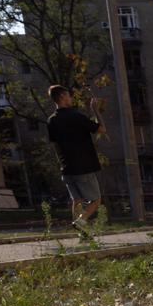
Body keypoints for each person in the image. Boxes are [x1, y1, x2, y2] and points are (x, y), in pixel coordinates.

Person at [46, 85, 106, 236]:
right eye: (68, 96)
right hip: (83, 166)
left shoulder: (51, 120)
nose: (71, 98)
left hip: (66, 168)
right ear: (62, 97)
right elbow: (101, 129)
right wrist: (95, 110)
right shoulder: (76, 116)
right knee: (96, 201)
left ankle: (82, 233)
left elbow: (54, 144)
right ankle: (80, 222)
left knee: (77, 200)